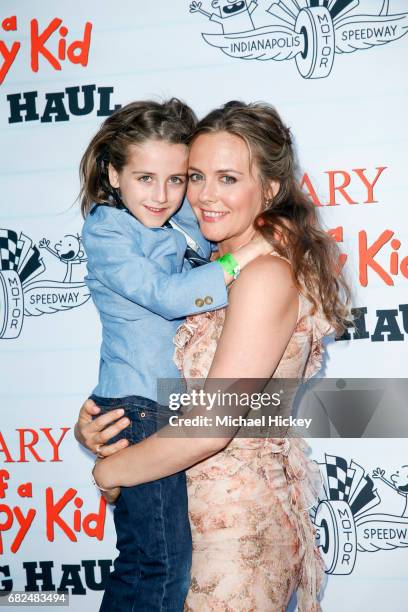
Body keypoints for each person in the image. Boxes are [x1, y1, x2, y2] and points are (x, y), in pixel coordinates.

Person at [76, 101, 350, 611]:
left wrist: (110, 472)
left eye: (227, 178)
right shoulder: (207, 266)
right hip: (185, 511)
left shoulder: (262, 274)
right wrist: (101, 420)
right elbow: (250, 403)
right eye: (196, 176)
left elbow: (214, 424)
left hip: (230, 535)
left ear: (269, 188)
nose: (201, 196)